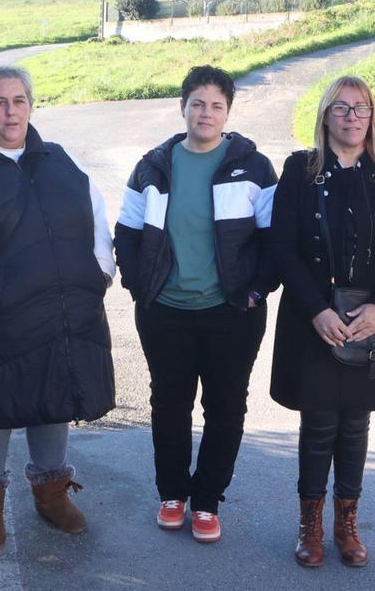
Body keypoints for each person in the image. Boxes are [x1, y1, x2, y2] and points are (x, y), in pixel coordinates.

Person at [0, 65, 116, 552]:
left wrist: (99, 274)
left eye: (19, 101)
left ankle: (52, 494)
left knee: (54, 397)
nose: (10, 111)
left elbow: (96, 219)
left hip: (62, 309)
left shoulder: (60, 160)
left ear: (30, 106)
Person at [114, 65, 277, 544]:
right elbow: (126, 231)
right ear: (183, 107)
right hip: (164, 310)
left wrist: (254, 291)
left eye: (217, 105)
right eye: (198, 103)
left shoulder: (253, 166)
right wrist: (140, 285)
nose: (206, 113)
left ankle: (206, 501)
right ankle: (172, 494)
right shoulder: (153, 166)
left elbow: (274, 240)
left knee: (226, 407)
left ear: (228, 112)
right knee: (169, 403)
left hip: (231, 312)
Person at [269, 76, 375, 568]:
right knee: (318, 424)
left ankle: (346, 525)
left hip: (371, 321)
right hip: (314, 319)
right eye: (341, 108)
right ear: (325, 116)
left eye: (361, 108)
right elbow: (283, 248)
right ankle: (309, 528)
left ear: (372, 117)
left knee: (355, 424)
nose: (352, 117)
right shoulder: (300, 170)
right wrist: (317, 309)